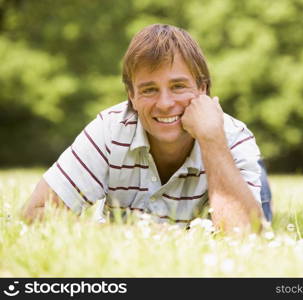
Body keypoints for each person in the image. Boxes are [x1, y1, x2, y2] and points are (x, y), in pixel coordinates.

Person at [22, 24, 272, 232]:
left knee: (259, 208)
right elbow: (35, 213)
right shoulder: (109, 130)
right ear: (131, 95)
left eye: (178, 87)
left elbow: (245, 236)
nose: (165, 104)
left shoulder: (233, 136)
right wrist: (139, 233)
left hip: (232, 161)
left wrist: (212, 141)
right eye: (149, 89)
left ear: (202, 89)